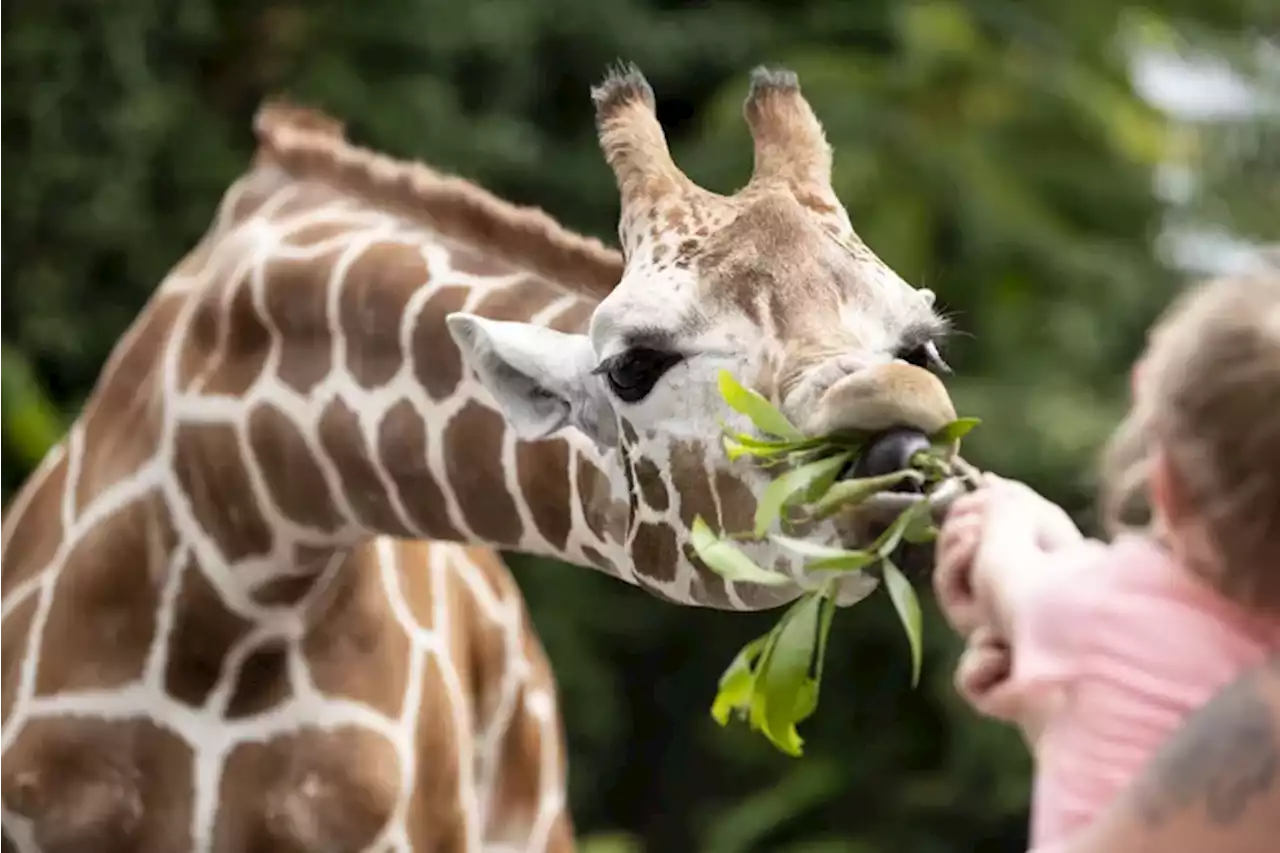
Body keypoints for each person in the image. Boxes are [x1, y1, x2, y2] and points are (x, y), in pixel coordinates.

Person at [931, 270, 1280, 853]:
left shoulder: (1094, 607)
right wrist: (1052, 704)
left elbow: (1015, 580)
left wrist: (1004, 520)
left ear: (1167, 481)